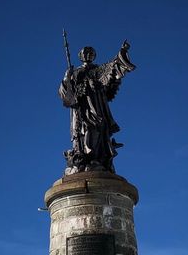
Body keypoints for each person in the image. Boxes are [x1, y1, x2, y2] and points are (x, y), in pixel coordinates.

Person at [58, 41, 136, 175]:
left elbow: (113, 67)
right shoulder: (75, 72)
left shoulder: (99, 70)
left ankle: (96, 159)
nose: (88, 55)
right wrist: (67, 78)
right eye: (85, 53)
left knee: (97, 128)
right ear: (81, 56)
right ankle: (83, 158)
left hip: (97, 106)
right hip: (81, 108)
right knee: (84, 130)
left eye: (91, 53)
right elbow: (65, 93)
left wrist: (122, 52)